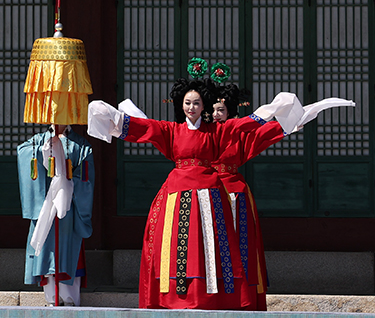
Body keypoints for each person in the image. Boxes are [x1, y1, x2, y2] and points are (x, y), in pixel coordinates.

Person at [87, 59, 270, 310]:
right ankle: (173, 297)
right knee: (174, 246)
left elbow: (242, 125)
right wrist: (114, 117)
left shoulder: (215, 131)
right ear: (181, 105)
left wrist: (268, 113)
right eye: (187, 102)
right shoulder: (171, 130)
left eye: (196, 103)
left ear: (203, 105)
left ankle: (213, 297)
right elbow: (146, 127)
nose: (191, 107)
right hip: (176, 193)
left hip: (210, 194)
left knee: (210, 246)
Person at [209, 82, 285, 311]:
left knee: (239, 247)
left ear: (231, 112)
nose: (215, 115)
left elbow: (264, 133)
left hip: (234, 193)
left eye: (220, 110)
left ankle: (241, 296)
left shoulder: (238, 134)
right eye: (211, 110)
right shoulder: (202, 132)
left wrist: (292, 121)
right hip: (205, 192)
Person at [17, 123, 93, 307]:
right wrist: (42, 151)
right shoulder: (37, 142)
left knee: (69, 250)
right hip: (45, 206)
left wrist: (68, 185)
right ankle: (51, 298)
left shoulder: (80, 145)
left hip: (68, 207)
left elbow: (86, 176)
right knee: (46, 251)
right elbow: (23, 152)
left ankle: (70, 298)